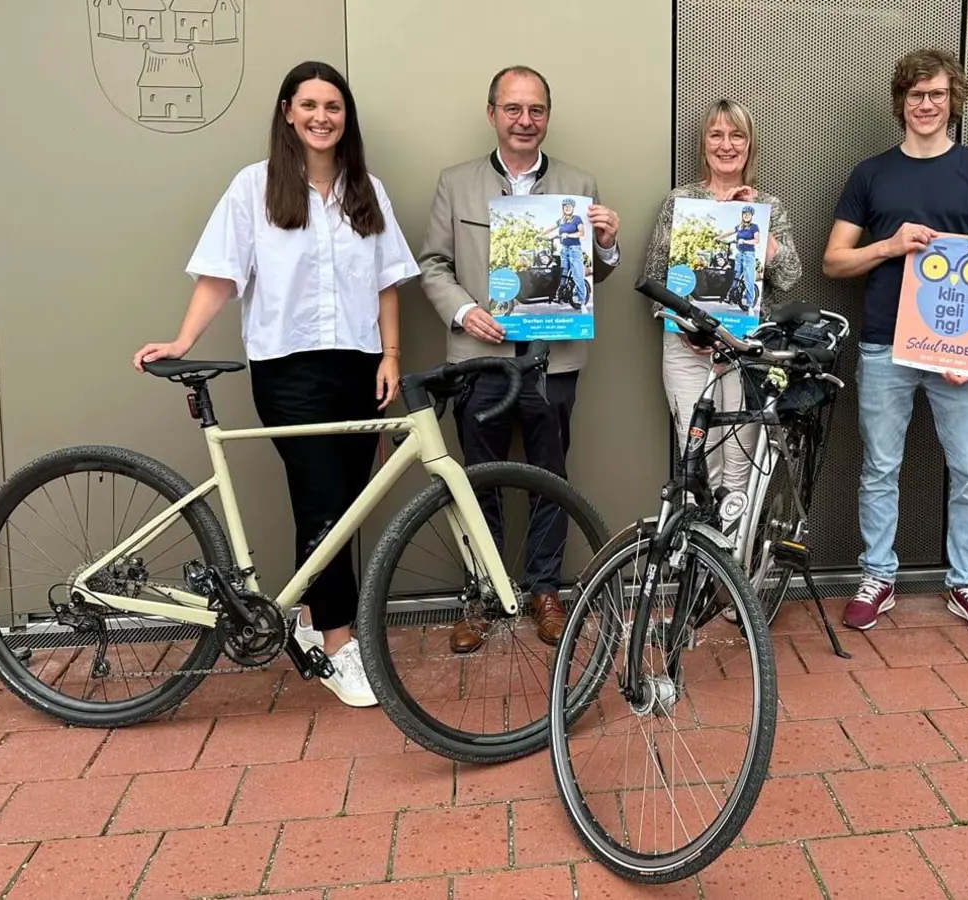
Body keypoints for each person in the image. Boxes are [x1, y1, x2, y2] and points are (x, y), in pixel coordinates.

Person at [133, 60, 421, 707]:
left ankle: (311, 624)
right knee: (323, 501)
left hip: (358, 364)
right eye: (310, 105)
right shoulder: (254, 188)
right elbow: (219, 276)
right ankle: (342, 646)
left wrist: (391, 357)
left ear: (345, 119)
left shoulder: (366, 190)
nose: (322, 117)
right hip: (288, 371)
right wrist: (183, 340)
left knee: (343, 508)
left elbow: (387, 284)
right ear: (288, 111)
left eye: (334, 107)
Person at [417, 65, 621, 653]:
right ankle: (481, 593)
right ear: (492, 115)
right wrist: (461, 312)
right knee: (474, 482)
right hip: (479, 361)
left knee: (549, 480)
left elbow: (596, 274)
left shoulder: (580, 184)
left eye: (535, 110)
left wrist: (605, 243)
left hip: (551, 362)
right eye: (513, 109)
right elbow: (433, 264)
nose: (524, 120)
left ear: (547, 117)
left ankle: (544, 590)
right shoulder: (455, 183)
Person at [823, 48, 968, 639]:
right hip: (884, 344)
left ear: (953, 102)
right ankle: (877, 576)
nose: (925, 105)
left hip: (960, 351)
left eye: (936, 94)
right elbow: (833, 261)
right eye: (915, 95)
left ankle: (967, 583)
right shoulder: (871, 174)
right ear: (900, 103)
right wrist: (889, 245)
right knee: (880, 467)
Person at [640, 98, 803, 507]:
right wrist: (688, 329)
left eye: (737, 135)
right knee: (697, 461)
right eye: (716, 134)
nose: (726, 145)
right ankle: (699, 561)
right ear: (703, 144)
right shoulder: (680, 203)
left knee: (739, 464)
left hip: (745, 350)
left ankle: (729, 566)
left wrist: (752, 220)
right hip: (685, 350)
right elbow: (656, 281)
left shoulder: (768, 206)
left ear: (750, 146)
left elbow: (788, 276)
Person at [539, 197, 589, 305]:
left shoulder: (577, 219)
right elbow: (551, 228)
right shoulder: (561, 221)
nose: (567, 208)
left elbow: (581, 233)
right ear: (563, 208)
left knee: (577, 275)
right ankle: (561, 295)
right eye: (565, 206)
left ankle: (582, 302)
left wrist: (569, 235)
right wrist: (541, 235)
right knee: (562, 274)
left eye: (569, 207)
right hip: (564, 250)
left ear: (572, 208)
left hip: (574, 250)